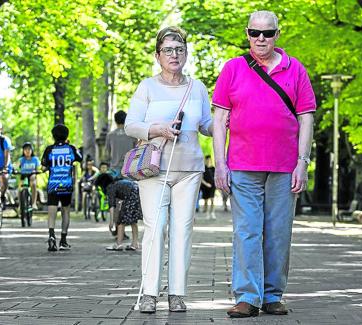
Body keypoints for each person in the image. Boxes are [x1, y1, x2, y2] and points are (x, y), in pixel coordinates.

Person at [212, 11, 316, 318]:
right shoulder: (233, 68)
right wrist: (220, 164)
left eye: (267, 33)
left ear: (277, 34)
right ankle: (247, 296)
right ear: (247, 34)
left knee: (278, 232)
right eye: (255, 33)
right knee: (246, 231)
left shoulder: (295, 69)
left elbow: (306, 118)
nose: (261, 38)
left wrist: (303, 162)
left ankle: (272, 295)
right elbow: (219, 119)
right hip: (242, 165)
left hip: (285, 167)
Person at [125, 26, 213, 313]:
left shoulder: (197, 87)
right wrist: (158, 129)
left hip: (189, 170)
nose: (174, 55)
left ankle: (177, 293)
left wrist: (230, 120)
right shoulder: (147, 87)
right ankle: (149, 293)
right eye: (168, 50)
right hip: (154, 169)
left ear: (186, 53)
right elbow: (131, 124)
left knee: (182, 230)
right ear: (157, 55)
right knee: (155, 228)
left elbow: (207, 125)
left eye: (179, 49)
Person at [41, 124, 82, 251]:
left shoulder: (49, 149)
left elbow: (43, 165)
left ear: (53, 136)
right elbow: (79, 159)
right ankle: (63, 240)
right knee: (65, 211)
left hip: (53, 184)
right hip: (66, 185)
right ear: (66, 135)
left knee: (52, 211)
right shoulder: (71, 149)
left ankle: (51, 235)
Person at [105, 179, 142, 251]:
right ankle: (134, 244)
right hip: (138, 191)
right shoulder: (118, 183)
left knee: (121, 221)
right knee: (133, 221)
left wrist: (111, 222)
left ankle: (119, 244)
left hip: (131, 195)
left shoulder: (111, 188)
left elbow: (112, 205)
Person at [105, 110, 136, 177]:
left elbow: (107, 154)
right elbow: (136, 151)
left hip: (114, 169)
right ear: (126, 120)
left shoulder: (110, 135)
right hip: (129, 168)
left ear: (115, 121)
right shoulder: (132, 135)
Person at [18, 142, 40, 208]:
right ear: (23, 151)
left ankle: (34, 203)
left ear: (31, 150)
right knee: (20, 189)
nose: (27, 151)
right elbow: (17, 167)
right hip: (23, 175)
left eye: (29, 149)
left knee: (33, 184)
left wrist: (36, 172)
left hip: (32, 176)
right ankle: (20, 204)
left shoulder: (35, 159)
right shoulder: (21, 160)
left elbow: (37, 169)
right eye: (25, 149)